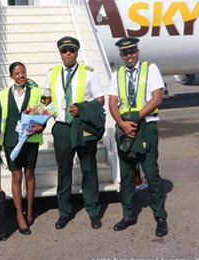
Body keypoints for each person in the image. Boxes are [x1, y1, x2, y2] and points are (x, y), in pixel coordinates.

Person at [108, 37, 168, 237]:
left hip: (146, 126)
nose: (129, 55)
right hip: (125, 127)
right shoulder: (116, 74)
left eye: (132, 51)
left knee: (151, 173)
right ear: (121, 55)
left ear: (137, 51)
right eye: (125, 53)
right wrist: (123, 124)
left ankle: (160, 216)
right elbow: (112, 102)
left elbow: (157, 97)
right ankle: (128, 214)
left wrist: (136, 117)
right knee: (126, 175)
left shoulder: (150, 69)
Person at [43, 36, 105, 230]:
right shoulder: (52, 73)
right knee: (64, 171)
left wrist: (82, 109)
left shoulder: (89, 73)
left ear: (77, 52)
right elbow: (46, 99)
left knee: (89, 169)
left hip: (83, 127)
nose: (68, 53)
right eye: (64, 50)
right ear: (60, 53)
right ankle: (64, 211)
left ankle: (93, 211)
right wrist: (41, 115)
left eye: (71, 50)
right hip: (62, 128)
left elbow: (100, 100)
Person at [0, 62, 44, 235]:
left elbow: (43, 113)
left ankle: (30, 209)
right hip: (12, 140)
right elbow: (0, 116)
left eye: (23, 72)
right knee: (16, 175)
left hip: (30, 138)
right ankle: (19, 215)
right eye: (17, 73)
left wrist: (41, 127)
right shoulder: (4, 94)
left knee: (29, 174)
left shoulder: (36, 92)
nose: (21, 75)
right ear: (11, 76)